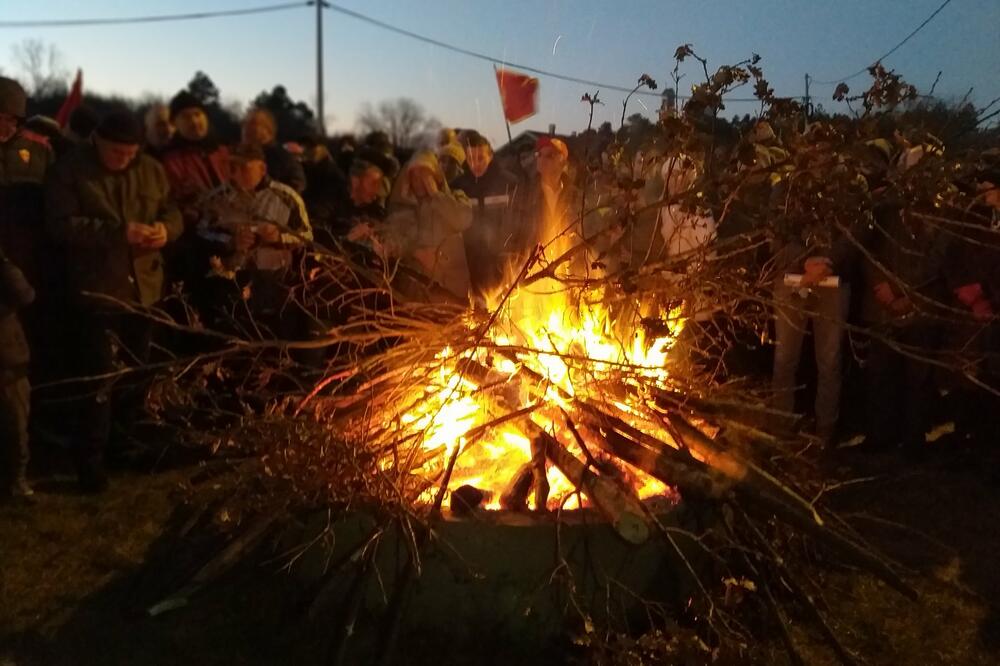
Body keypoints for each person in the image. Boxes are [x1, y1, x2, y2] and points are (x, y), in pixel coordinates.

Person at [45, 110, 183, 492]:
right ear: (97, 141)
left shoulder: (151, 170)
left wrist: (165, 230)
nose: (124, 158)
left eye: (130, 152)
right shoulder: (71, 170)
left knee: (138, 373)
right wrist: (117, 233)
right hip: (99, 290)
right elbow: (59, 224)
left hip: (145, 290)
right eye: (116, 151)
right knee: (100, 379)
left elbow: (171, 210)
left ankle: (128, 447)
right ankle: (90, 462)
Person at [195, 143, 312, 333]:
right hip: (229, 283)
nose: (237, 173)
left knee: (270, 340)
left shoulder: (286, 197)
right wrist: (230, 242)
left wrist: (278, 237)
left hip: (273, 283)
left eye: (244, 168)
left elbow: (307, 237)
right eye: (233, 167)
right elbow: (201, 234)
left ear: (262, 169)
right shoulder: (218, 198)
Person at [370, 148, 473, 300]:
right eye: (415, 177)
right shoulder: (406, 208)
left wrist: (435, 194)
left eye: (425, 176)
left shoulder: (456, 197)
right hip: (417, 291)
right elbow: (399, 237)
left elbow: (462, 220)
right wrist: (391, 248)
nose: (419, 182)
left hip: (450, 290)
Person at [450, 130, 521, 298]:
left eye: (480, 158)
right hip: (470, 264)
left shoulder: (509, 183)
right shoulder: (459, 187)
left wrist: (514, 258)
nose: (475, 164)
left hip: (502, 263)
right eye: (471, 159)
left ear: (490, 155)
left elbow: (519, 223)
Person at [0, 247, 35, 503]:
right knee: (14, 419)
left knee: (15, 420)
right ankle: (14, 479)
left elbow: (24, 294)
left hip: (7, 355)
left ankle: (15, 479)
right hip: (7, 354)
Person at [242, 108, 307, 193]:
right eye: (245, 124)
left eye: (253, 123)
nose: (246, 128)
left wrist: (268, 185)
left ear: (267, 130)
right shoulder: (245, 155)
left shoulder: (282, 157)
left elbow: (297, 186)